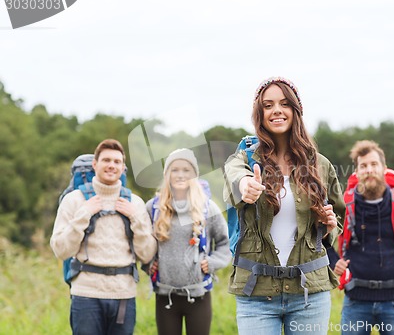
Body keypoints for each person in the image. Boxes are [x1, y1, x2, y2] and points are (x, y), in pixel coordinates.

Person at [223, 76, 345, 335]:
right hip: (256, 292)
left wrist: (330, 224)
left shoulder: (320, 165)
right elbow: (235, 177)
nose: (276, 110)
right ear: (259, 113)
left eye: (283, 104)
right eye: (268, 105)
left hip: (309, 293)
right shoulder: (243, 158)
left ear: (295, 110)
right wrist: (246, 184)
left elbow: (338, 222)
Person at [50, 138, 157, 334]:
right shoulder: (74, 200)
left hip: (123, 294)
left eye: (117, 162)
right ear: (95, 164)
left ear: (123, 167)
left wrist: (135, 218)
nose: (111, 165)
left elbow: (147, 254)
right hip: (85, 294)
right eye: (106, 160)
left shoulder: (135, 203)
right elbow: (60, 249)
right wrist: (84, 214)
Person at [330, 140, 394, 335]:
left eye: (373, 164)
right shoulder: (344, 207)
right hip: (355, 302)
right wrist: (333, 261)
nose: (369, 170)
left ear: (384, 169)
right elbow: (319, 237)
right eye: (363, 166)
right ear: (357, 172)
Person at [146, 148, 231, 335]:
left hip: (198, 296)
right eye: (175, 170)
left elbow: (225, 243)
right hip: (165, 296)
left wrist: (212, 262)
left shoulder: (208, 208)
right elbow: (143, 244)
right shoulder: (153, 207)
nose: (180, 175)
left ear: (194, 175)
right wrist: (148, 265)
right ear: (167, 174)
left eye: (186, 170)